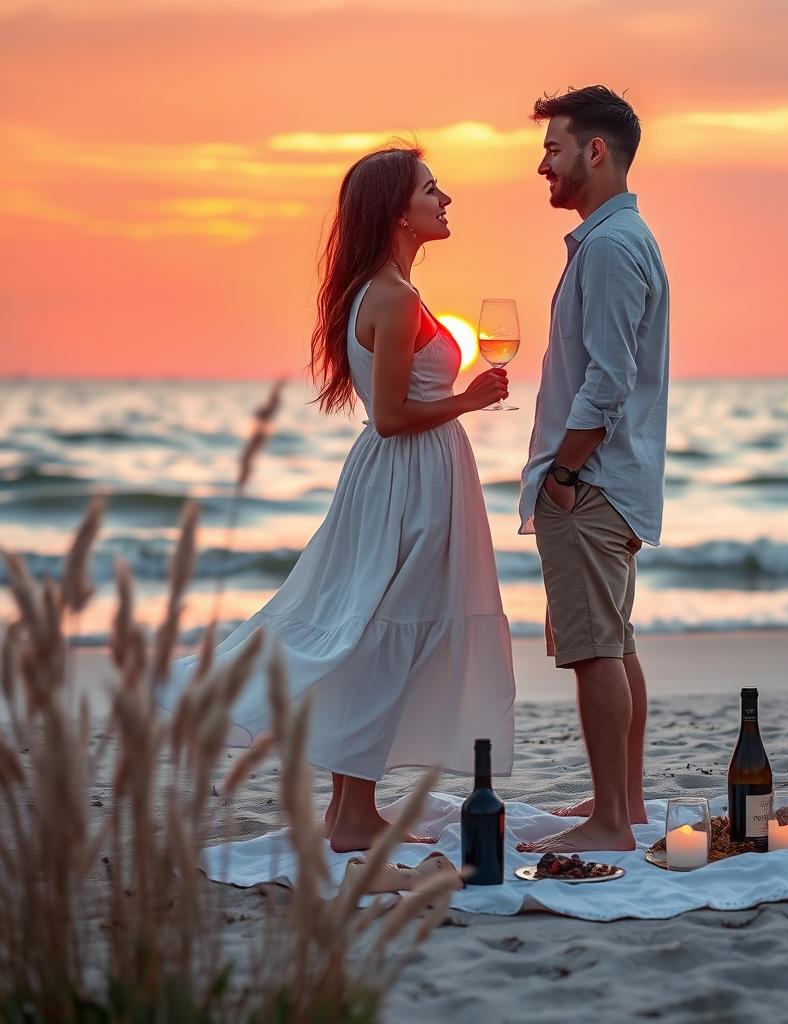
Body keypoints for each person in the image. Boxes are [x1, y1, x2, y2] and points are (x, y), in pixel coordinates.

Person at [158, 146, 516, 853]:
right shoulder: (392, 296)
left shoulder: (382, 290)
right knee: (379, 635)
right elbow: (389, 416)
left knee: (377, 632)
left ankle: (355, 808)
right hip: (409, 479)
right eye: (430, 190)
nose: (445, 201)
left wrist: (456, 402)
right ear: (395, 211)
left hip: (407, 476)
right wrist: (468, 400)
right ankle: (351, 814)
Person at [516, 86, 670, 854]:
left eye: (553, 148)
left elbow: (608, 379)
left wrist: (564, 474)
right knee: (615, 642)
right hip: (613, 481)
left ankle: (611, 819)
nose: (542, 164)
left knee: (594, 651)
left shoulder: (610, 247)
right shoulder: (618, 239)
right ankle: (627, 803)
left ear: (595, 151)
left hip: (593, 484)